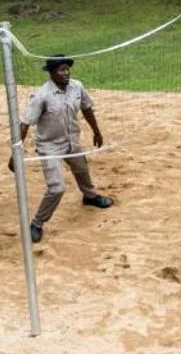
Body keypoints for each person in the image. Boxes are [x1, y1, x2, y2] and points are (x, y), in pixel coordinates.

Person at [19, 56, 113, 243]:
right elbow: (25, 123)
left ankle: (89, 196)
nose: (66, 73)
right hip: (50, 146)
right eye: (61, 70)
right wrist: (15, 151)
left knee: (81, 169)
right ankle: (37, 223)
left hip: (72, 141)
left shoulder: (77, 86)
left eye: (67, 69)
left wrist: (97, 132)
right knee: (57, 188)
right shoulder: (41, 95)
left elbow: (87, 109)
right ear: (52, 73)